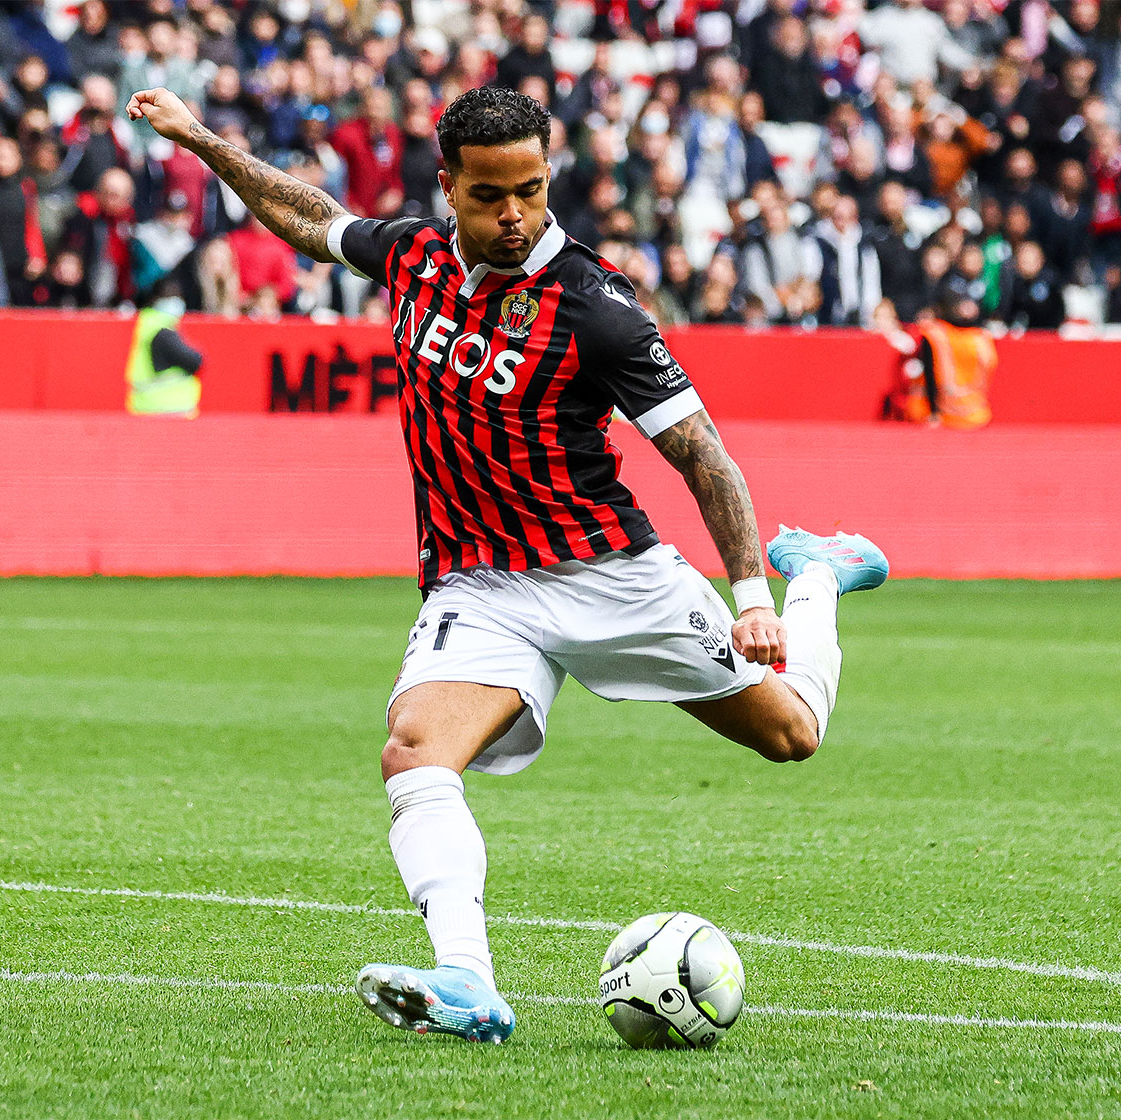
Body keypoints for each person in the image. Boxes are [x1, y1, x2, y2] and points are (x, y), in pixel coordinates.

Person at [127, 83, 889, 1044]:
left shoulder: (598, 308)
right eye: (490, 196)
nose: (515, 215)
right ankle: (467, 982)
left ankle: (818, 572)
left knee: (791, 734)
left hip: (610, 577)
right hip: (481, 583)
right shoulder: (412, 257)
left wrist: (756, 593)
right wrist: (201, 139)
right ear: (449, 186)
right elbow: (309, 215)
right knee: (413, 752)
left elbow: (702, 453)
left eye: (531, 190)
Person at [125, 282, 203, 417]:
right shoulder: (162, 331)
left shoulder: (147, 325)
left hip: (148, 405)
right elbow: (194, 361)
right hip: (166, 407)